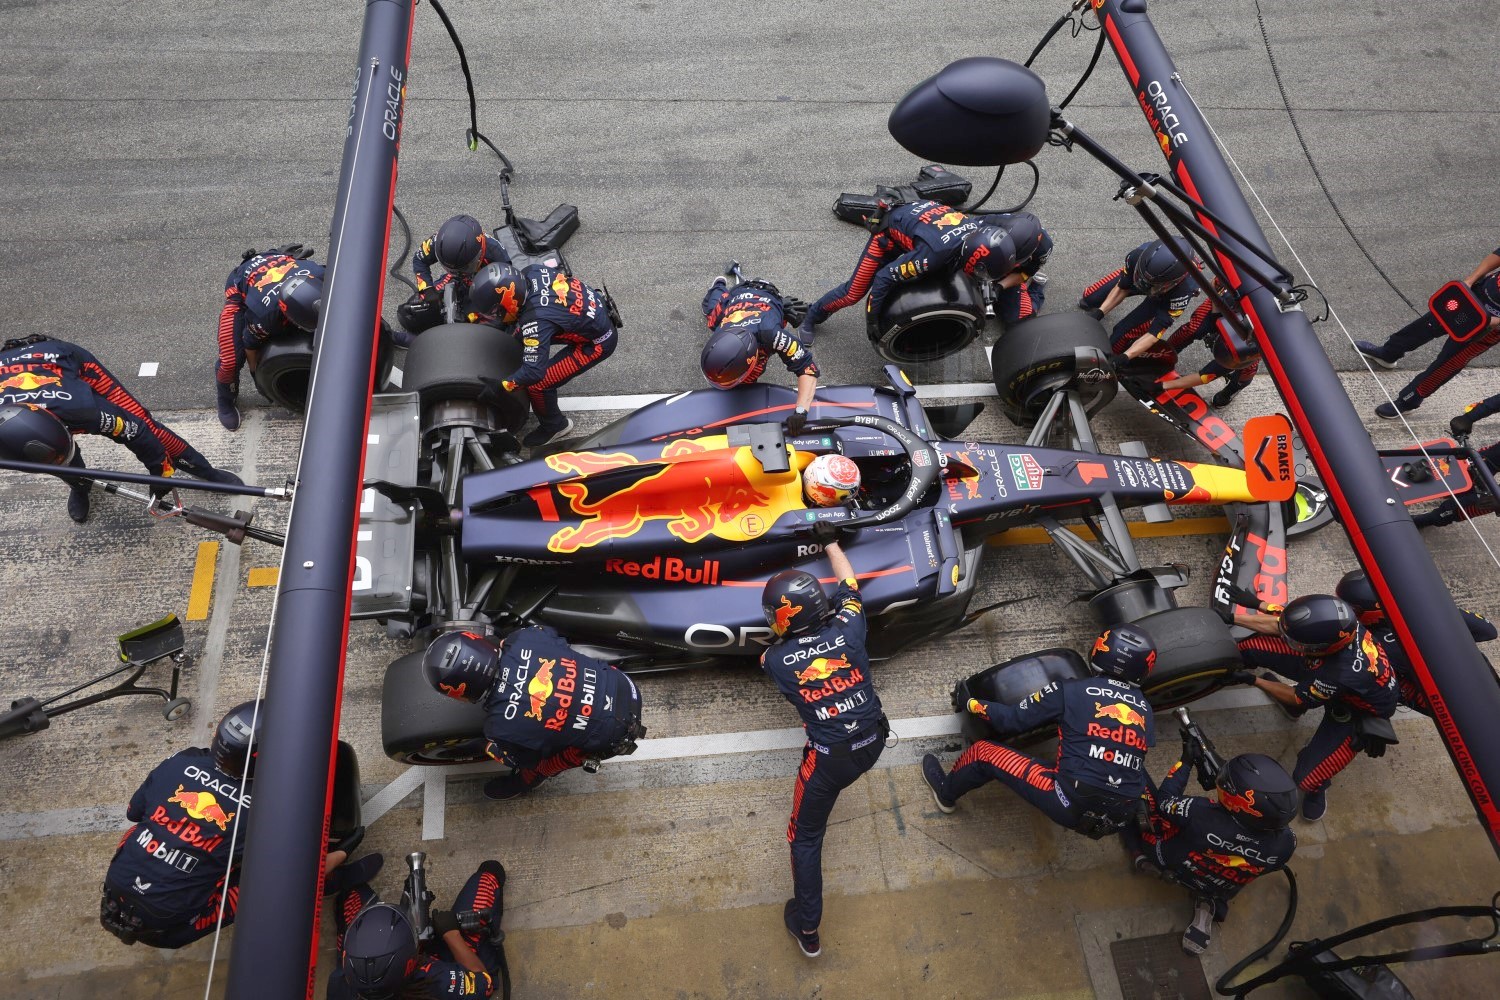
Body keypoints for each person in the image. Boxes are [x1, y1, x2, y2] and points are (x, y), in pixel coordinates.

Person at [100, 700, 376, 949]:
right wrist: (339, 854)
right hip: (170, 926)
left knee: (145, 830)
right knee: (273, 883)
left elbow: (134, 813)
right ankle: (329, 884)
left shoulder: (183, 760)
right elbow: (290, 875)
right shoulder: (272, 809)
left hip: (116, 884)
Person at [760, 536, 887, 958]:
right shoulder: (849, 626)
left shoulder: (775, 662)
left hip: (831, 762)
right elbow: (849, 582)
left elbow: (769, 656)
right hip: (875, 741)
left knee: (804, 837)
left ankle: (808, 928)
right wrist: (830, 542)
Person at [921, 624, 1156, 835]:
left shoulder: (1070, 690)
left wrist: (970, 702)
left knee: (984, 753)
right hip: (1121, 814)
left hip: (1069, 802)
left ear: (1100, 651)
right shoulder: (1145, 709)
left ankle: (945, 793)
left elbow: (1010, 720)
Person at [0, 336, 242, 523]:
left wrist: (161, 474)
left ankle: (206, 471)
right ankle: (79, 485)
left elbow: (138, 433)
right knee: (52, 458)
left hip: (61, 361)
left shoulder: (86, 411)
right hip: (15, 375)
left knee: (147, 425)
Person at [423, 627, 646, 801]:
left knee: (536, 766)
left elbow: (523, 758)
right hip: (626, 686)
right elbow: (549, 633)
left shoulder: (499, 728)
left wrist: (491, 748)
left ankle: (526, 784)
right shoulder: (525, 637)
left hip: (615, 737)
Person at [1232, 595, 1399, 821]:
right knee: (1249, 647)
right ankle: (1297, 708)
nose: (1291, 642)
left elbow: (1296, 696)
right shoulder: (1342, 622)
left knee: (1306, 778)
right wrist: (1234, 615)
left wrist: (1253, 681)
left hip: (1356, 711)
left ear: (1321, 648)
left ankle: (1319, 788)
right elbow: (1282, 623)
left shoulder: (1338, 675)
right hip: (1335, 674)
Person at [1125, 750, 1298, 955]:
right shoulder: (1286, 843)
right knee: (1224, 880)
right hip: (1219, 886)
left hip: (1169, 860)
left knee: (1135, 785)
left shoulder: (1201, 814)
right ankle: (1208, 903)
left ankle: (1139, 854)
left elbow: (1166, 802)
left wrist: (1186, 762)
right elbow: (1270, 865)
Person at [799, 200, 1017, 340]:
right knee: (853, 292)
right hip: (889, 237)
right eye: (983, 271)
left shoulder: (979, 229)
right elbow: (884, 277)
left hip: (923, 221)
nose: (983, 277)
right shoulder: (933, 256)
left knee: (942, 270)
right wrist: (873, 319)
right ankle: (812, 316)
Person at [468, 261, 620, 448]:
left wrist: (502, 386)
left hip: (596, 343)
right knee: (516, 335)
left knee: (538, 385)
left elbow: (534, 372)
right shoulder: (531, 271)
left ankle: (555, 426)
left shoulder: (536, 320)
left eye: (496, 312)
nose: (495, 316)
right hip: (581, 313)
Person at [1355, 247, 1500, 419]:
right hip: (1475, 295)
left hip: (1490, 324)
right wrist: (1469, 281)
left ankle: (1408, 401)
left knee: (1448, 362)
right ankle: (1388, 353)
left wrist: (1493, 322)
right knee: (1425, 325)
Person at [328, 859, 506, 998]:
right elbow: (485, 985)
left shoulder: (342, 985)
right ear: (412, 961)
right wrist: (451, 934)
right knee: (489, 874)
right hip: (449, 964)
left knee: (351, 895)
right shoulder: (437, 982)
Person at [1334, 569, 1495, 714]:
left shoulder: (1373, 644)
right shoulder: (1428, 610)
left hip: (1454, 703)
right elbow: (1488, 631)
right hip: (1482, 675)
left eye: (1352, 609)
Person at [215, 245, 325, 430]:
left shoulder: (322, 273)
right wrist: (257, 377)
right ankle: (226, 401)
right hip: (242, 284)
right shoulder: (266, 315)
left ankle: (276, 255)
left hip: (278, 261)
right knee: (230, 360)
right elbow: (250, 344)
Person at [699, 273, 818, 430]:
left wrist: (801, 412)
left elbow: (807, 367)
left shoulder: (773, 335)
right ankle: (718, 285)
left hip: (769, 296)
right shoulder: (720, 329)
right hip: (736, 295)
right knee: (711, 313)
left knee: (750, 378)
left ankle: (721, 287)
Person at [1115, 284, 1259, 408]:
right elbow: (1214, 287)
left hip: (1252, 342)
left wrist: (1162, 386)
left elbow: (1204, 377)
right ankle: (1162, 354)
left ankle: (1231, 391)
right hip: (1225, 308)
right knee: (1192, 329)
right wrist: (1215, 312)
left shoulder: (1246, 354)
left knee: (1246, 373)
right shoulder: (1229, 295)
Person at [1079, 237, 1201, 352]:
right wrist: (1100, 312)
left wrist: (1125, 357)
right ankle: (1143, 278)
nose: (1145, 288)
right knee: (1089, 298)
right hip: (1139, 277)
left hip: (1163, 297)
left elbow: (1154, 333)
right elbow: (1122, 288)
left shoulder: (1182, 292)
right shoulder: (1136, 255)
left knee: (1119, 339)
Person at [984, 210, 1053, 325]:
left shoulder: (1044, 248)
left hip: (1007, 274)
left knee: (1020, 322)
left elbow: (1024, 274)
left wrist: (999, 287)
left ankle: (1037, 289)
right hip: (984, 257)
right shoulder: (992, 222)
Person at [412, 214, 510, 295]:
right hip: (455, 280)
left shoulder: (498, 255)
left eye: (464, 268)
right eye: (452, 269)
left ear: (480, 254)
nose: (458, 274)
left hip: (486, 286)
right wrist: (427, 289)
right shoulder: (437, 241)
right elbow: (419, 259)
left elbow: (506, 288)